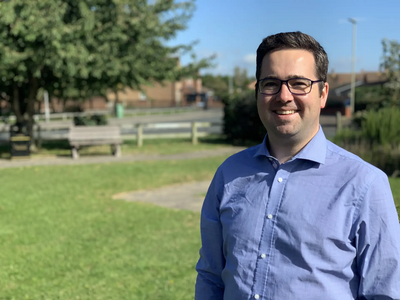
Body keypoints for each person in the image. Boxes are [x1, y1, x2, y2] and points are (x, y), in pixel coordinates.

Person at [195, 31, 400, 300]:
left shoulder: (364, 183)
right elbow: (211, 275)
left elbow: (385, 292)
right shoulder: (229, 173)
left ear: (323, 93)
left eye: (299, 83)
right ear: (258, 91)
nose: (283, 96)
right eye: (270, 83)